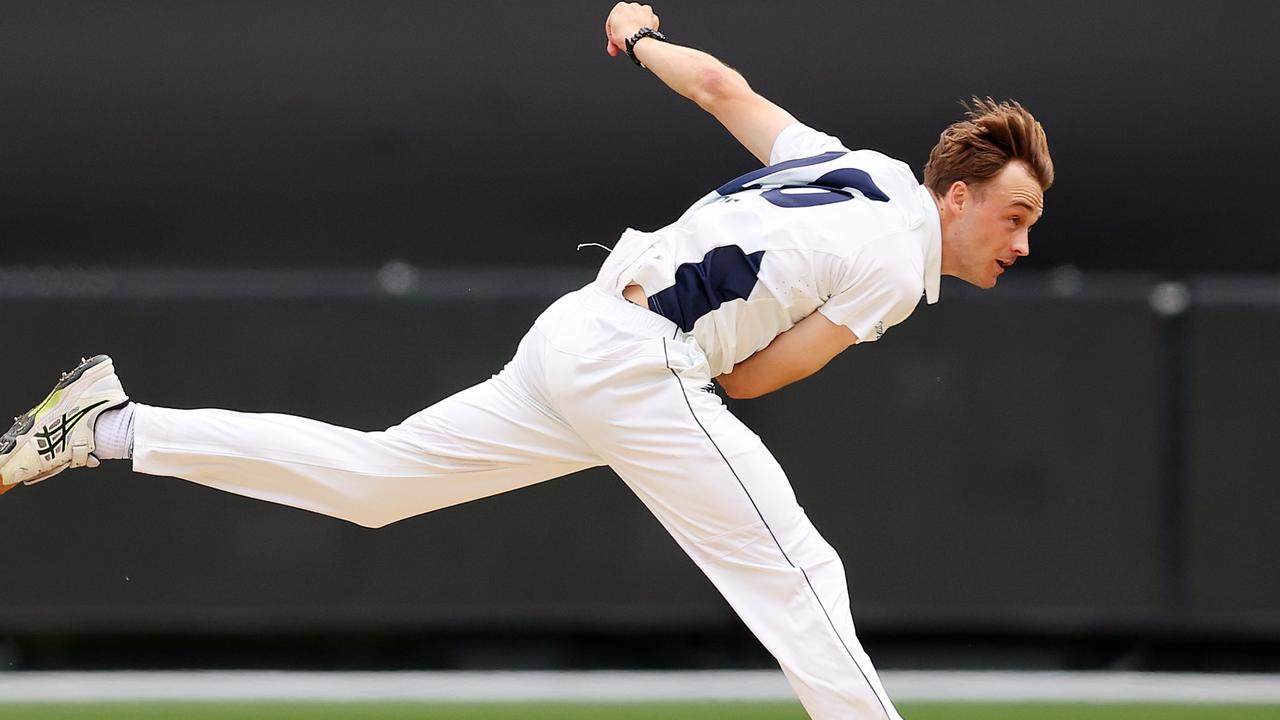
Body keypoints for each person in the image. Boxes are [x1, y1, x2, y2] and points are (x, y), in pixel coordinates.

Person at [0, 4, 1053, 718]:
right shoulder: (896, 258)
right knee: (797, 571)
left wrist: (638, 35)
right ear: (952, 196)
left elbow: (723, 87)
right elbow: (751, 381)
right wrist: (722, 364)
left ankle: (108, 427)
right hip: (644, 366)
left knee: (374, 483)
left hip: (579, 334)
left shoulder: (852, 168)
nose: (1016, 245)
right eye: (1010, 216)